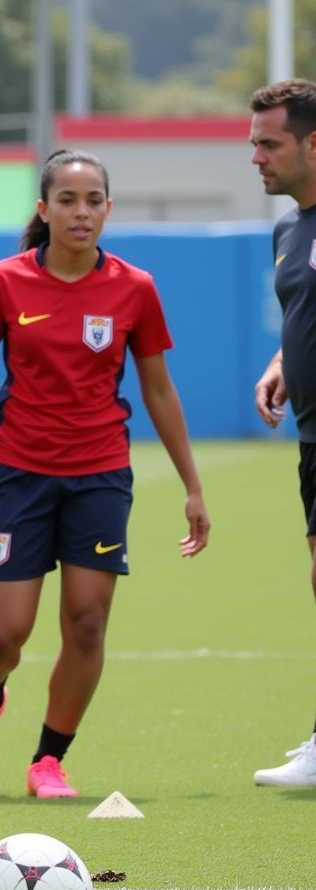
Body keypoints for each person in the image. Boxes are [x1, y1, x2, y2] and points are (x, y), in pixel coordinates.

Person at [0, 149, 210, 799]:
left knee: (87, 624)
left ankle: (47, 761)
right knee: (4, 635)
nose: (81, 211)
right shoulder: (5, 281)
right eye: (67, 199)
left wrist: (193, 486)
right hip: (19, 475)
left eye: (93, 200)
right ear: (44, 209)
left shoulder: (134, 288)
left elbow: (159, 391)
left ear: (109, 209)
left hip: (100, 477)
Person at [249, 79, 316, 787]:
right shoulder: (288, 230)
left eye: (270, 144)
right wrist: (282, 364)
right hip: (311, 438)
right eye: (254, 145)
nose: (257, 158)